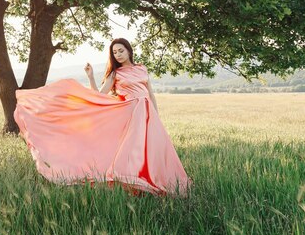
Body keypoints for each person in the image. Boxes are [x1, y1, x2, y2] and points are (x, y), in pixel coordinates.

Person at [13, 38, 192, 197]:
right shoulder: (116, 74)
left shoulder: (141, 69)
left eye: (121, 50)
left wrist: (156, 115)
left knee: (152, 149)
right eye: (115, 52)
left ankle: (155, 181)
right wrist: (91, 77)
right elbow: (100, 95)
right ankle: (133, 184)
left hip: (148, 114)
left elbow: (150, 94)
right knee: (133, 149)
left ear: (129, 50)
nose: (118, 54)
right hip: (130, 113)